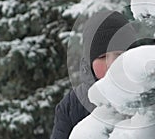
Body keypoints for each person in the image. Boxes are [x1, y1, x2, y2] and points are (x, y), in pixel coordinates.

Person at [50, 10, 139, 139]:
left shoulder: (152, 94)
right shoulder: (71, 107)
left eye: (119, 55)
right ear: (89, 62)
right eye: (102, 57)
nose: (112, 64)